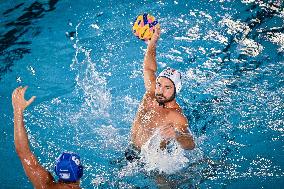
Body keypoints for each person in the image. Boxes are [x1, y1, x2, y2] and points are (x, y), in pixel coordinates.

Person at [126, 27, 195, 161]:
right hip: (131, 151)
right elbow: (149, 69)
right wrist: (152, 43)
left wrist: (176, 135)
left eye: (167, 87)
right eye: (159, 84)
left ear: (176, 90)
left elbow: (191, 144)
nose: (160, 91)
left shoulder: (176, 116)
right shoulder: (152, 93)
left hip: (152, 163)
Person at [12, 86, 83, 189]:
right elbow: (22, 153)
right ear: (80, 171)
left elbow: (24, 153)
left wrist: (18, 110)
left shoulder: (44, 185)